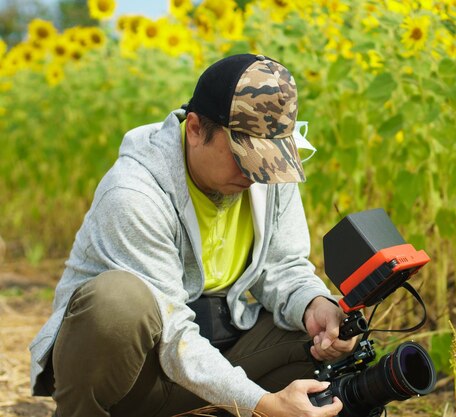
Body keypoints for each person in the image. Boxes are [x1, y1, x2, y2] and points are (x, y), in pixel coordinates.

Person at [29, 53, 357, 417]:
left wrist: (313, 304)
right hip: (135, 377)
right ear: (196, 128)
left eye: (269, 161)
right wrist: (262, 404)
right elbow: (172, 335)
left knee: (327, 340)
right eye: (244, 157)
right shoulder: (133, 193)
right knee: (118, 303)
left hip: (214, 353)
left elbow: (283, 267)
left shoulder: (266, 173)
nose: (256, 174)